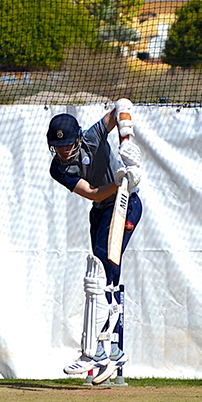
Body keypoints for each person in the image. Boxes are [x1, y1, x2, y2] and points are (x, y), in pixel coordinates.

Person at [48, 98, 144, 384]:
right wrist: (121, 178)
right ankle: (108, 350)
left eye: (67, 145)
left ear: (78, 138)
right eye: (58, 146)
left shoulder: (92, 136)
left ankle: (101, 353)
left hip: (126, 204)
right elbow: (91, 192)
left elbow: (121, 106)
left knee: (106, 269)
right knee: (99, 277)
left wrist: (126, 140)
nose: (64, 151)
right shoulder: (58, 169)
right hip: (102, 207)